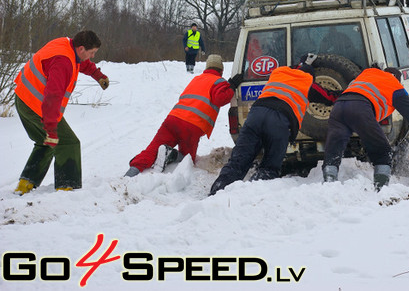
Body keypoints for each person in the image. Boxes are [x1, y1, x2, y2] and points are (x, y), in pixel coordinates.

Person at [209, 54, 339, 195]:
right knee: (270, 167)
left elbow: (295, 70)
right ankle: (254, 197)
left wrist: (303, 63)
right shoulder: (307, 81)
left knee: (237, 161)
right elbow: (328, 97)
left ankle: (217, 193)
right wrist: (349, 92)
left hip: (256, 115)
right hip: (279, 122)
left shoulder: (278, 73)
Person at [13, 31, 109, 195]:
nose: (92, 56)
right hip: (37, 105)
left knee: (46, 142)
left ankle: (25, 183)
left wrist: (97, 74)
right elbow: (52, 97)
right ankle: (66, 188)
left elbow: (81, 62)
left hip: (23, 98)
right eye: (92, 52)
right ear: (81, 48)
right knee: (68, 142)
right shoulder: (63, 63)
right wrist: (51, 129)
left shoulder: (65, 45)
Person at [321, 66, 409, 190]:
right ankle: (381, 189)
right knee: (382, 151)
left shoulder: (367, 74)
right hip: (360, 109)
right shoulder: (395, 86)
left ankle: (330, 183)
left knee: (334, 149)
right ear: (397, 79)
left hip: (338, 107)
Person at [125, 54, 243, 177]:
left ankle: (131, 173)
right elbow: (220, 99)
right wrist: (231, 86)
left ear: (206, 67)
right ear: (221, 70)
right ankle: (172, 155)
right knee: (187, 160)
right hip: (192, 126)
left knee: (152, 150)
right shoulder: (219, 81)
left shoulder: (196, 79)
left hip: (172, 120)